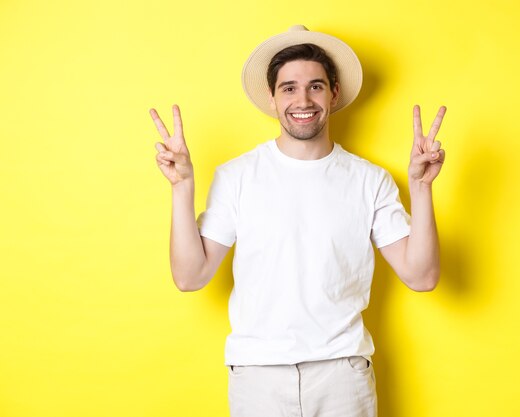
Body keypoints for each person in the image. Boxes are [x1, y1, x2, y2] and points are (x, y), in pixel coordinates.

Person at [150, 25, 446, 417]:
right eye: (288, 88)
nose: (302, 99)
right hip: (258, 378)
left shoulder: (369, 180)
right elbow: (190, 277)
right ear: (272, 98)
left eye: (315, 86)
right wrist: (182, 186)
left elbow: (421, 276)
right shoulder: (237, 176)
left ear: (333, 94)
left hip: (343, 376)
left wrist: (422, 188)